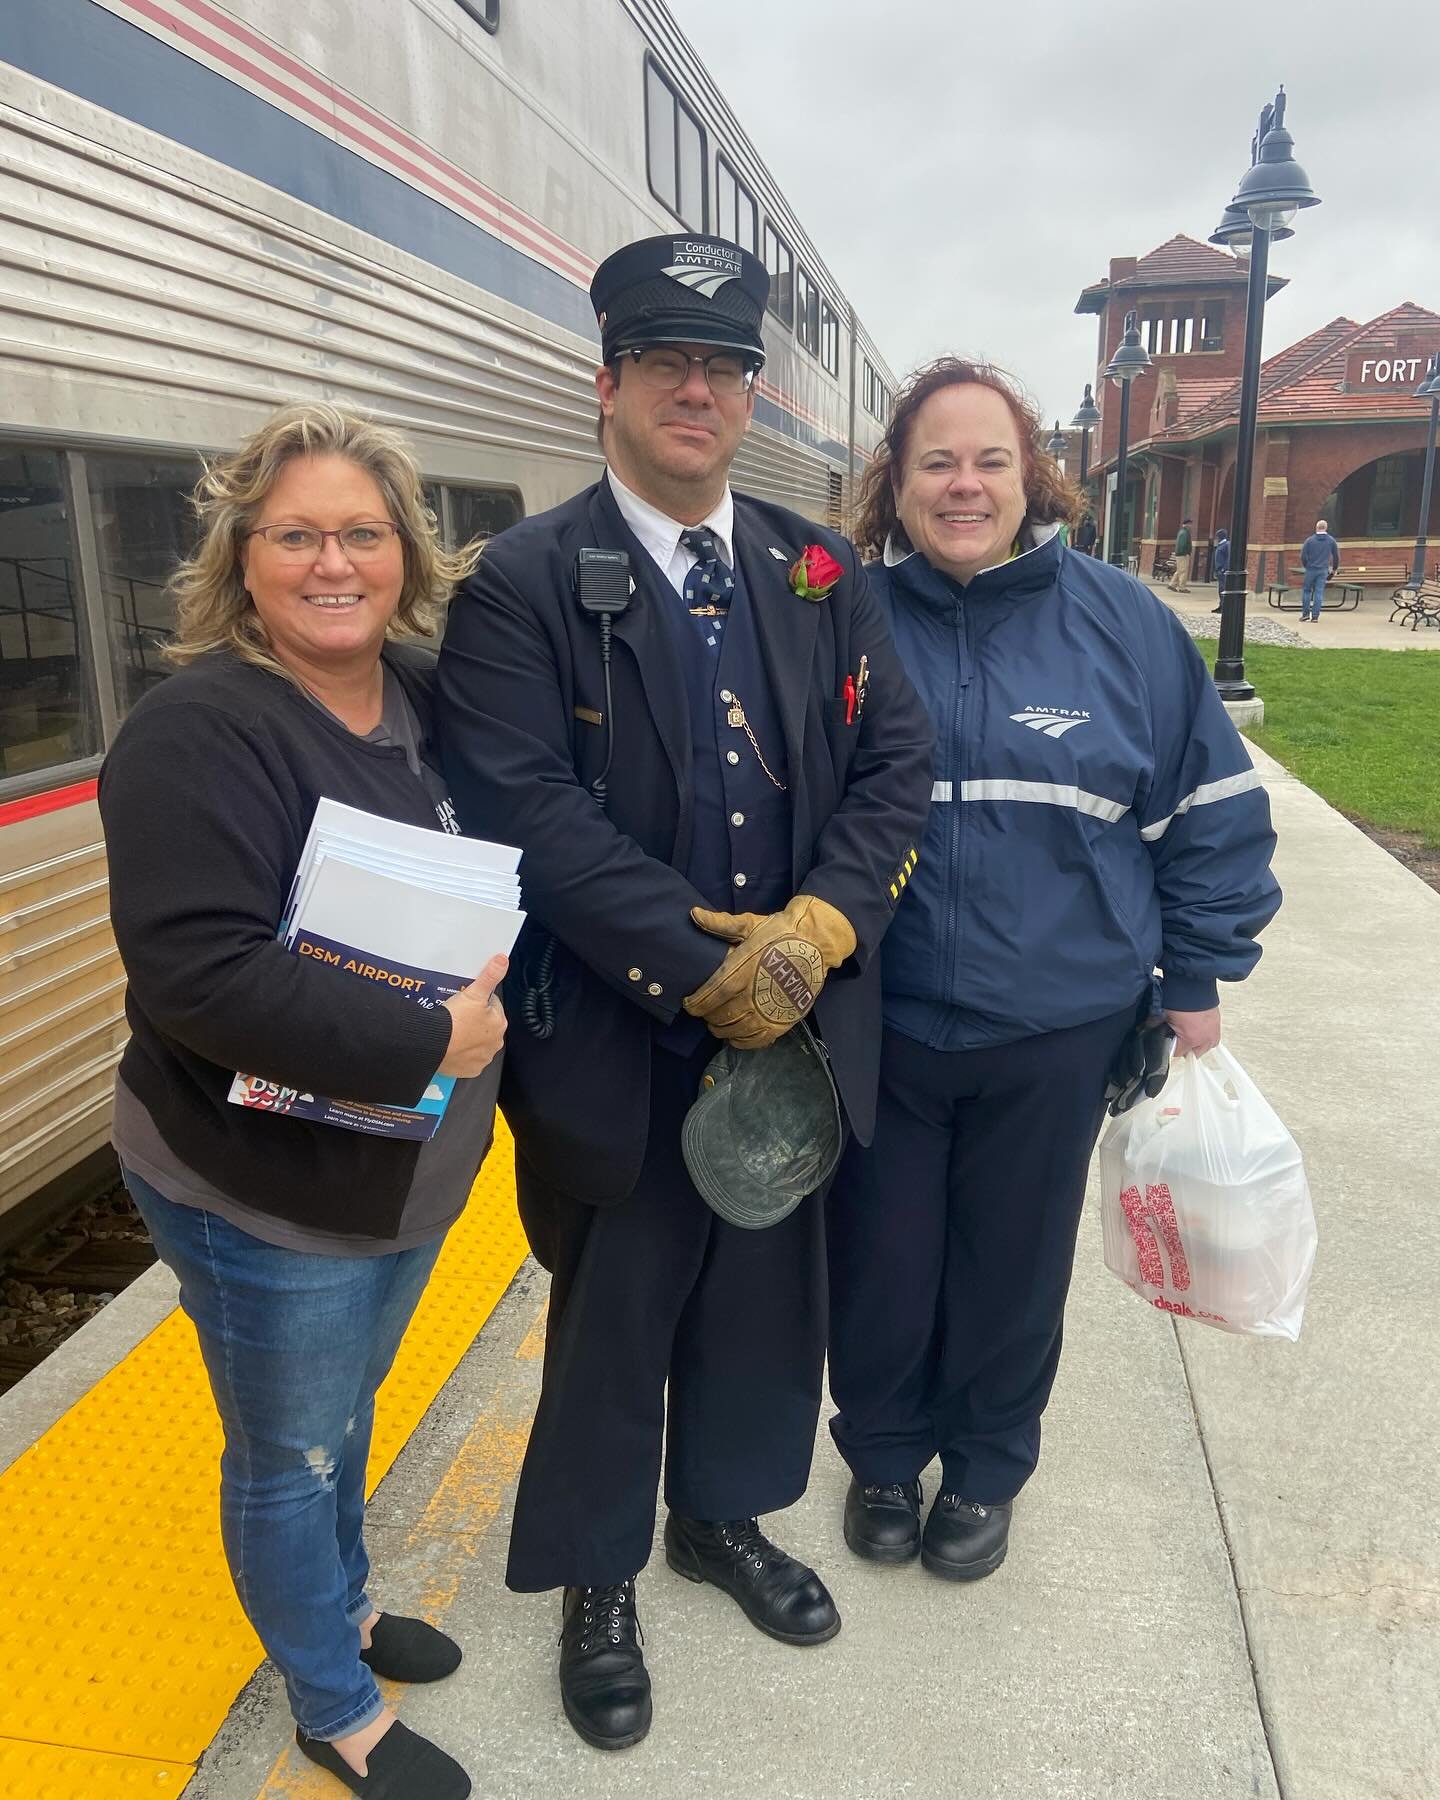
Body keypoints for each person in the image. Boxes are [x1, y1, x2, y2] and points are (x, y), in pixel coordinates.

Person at [436, 234, 932, 1751]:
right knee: (613, 1325)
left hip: (796, 1038)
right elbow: (525, 807)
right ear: (609, 386)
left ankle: (720, 1523)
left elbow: (895, 769)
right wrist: (714, 968)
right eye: (666, 364)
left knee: (766, 1311)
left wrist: (823, 939)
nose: (696, 392)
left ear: (750, 394)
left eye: (721, 368)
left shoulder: (817, 567)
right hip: (622, 1038)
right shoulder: (519, 583)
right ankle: (600, 1584)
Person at [98, 403, 508, 1800]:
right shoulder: (195, 730)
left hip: (403, 1163)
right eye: (296, 536)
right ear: (243, 557)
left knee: (353, 1407)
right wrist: (427, 1033)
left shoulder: (428, 698)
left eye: (360, 533)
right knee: (290, 1447)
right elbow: (196, 976)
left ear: (405, 552)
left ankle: (344, 1606)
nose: (332, 562)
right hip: (258, 1181)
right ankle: (333, 1703)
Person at [827, 357, 1281, 1583]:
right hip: (888, 1024)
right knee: (881, 1260)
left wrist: (1193, 978)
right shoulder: (844, 621)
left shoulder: (1124, 623)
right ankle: (880, 1454)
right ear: (897, 484)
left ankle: (982, 1470)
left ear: (1035, 477)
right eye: (936, 462)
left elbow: (1214, 813)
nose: (964, 485)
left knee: (1011, 1270)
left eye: (990, 460)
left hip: (1058, 1025)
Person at [1299, 517, 1341, 621]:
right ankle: (1315, 616)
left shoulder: (1309, 540)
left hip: (1310, 569)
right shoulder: (1331, 541)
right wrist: (1334, 569)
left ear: (1316, 528)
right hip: (1323, 569)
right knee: (1319, 592)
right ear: (1326, 528)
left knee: (1307, 591)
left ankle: (1305, 614)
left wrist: (1306, 565)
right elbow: (1336, 556)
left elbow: (1303, 556)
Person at [1167, 517, 1193, 591]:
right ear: (1187, 524)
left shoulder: (1182, 532)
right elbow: (1183, 544)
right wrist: (1185, 552)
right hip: (1183, 554)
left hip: (1180, 554)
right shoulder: (1185, 533)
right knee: (1183, 571)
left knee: (1180, 570)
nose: (1191, 526)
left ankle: (1172, 584)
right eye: (1190, 524)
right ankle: (1182, 587)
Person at [1211, 528, 1231, 613]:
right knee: (1220, 590)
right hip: (1219, 570)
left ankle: (1224, 607)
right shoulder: (1220, 545)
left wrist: (1223, 569)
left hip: (1222, 571)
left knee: (1223, 589)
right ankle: (1221, 606)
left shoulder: (1226, 545)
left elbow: (1228, 558)